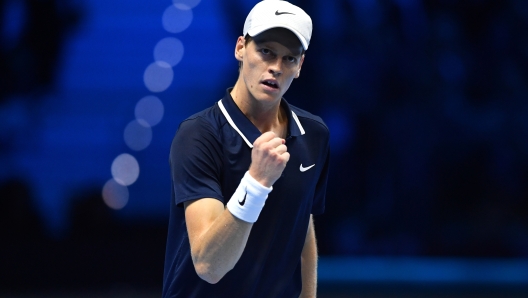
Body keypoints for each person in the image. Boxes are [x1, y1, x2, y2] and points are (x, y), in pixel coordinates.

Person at [162, 1, 330, 297]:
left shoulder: (314, 134)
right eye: (265, 51)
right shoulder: (198, 135)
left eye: (289, 58)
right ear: (241, 47)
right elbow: (209, 265)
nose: (276, 67)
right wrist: (256, 183)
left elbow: (302, 224)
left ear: (300, 66)